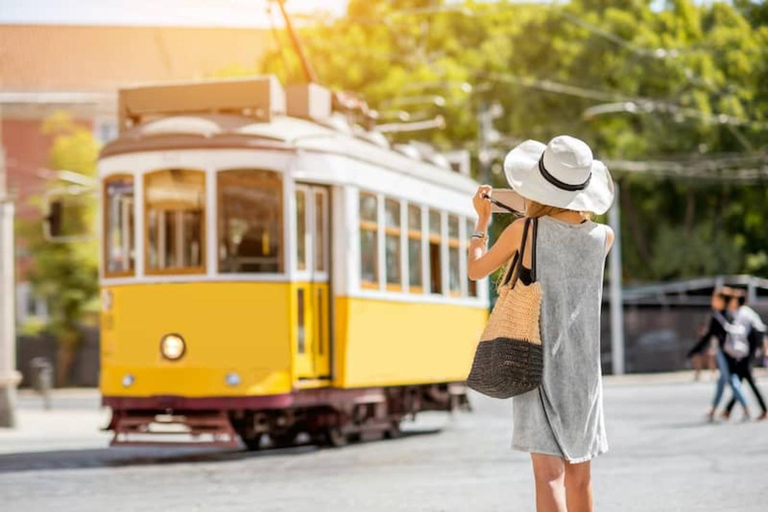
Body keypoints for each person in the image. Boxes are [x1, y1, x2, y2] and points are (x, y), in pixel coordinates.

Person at [467, 136, 615, 512]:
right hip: (584, 371)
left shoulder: (524, 231)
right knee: (580, 476)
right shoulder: (603, 238)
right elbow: (561, 216)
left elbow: (475, 269)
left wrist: (482, 224)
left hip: (535, 360)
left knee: (548, 476)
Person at [686, 289, 750, 421]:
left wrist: (694, 351)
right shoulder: (731, 314)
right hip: (733, 352)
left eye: (715, 298)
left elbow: (708, 337)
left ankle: (746, 408)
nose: (712, 301)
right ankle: (713, 410)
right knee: (721, 382)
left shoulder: (718, 317)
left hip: (724, 352)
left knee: (732, 380)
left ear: (721, 300)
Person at [722, 290, 767, 421]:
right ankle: (728, 409)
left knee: (745, 377)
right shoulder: (746, 312)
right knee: (742, 377)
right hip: (751, 346)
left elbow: (742, 333)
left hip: (750, 348)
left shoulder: (742, 313)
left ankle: (763, 409)